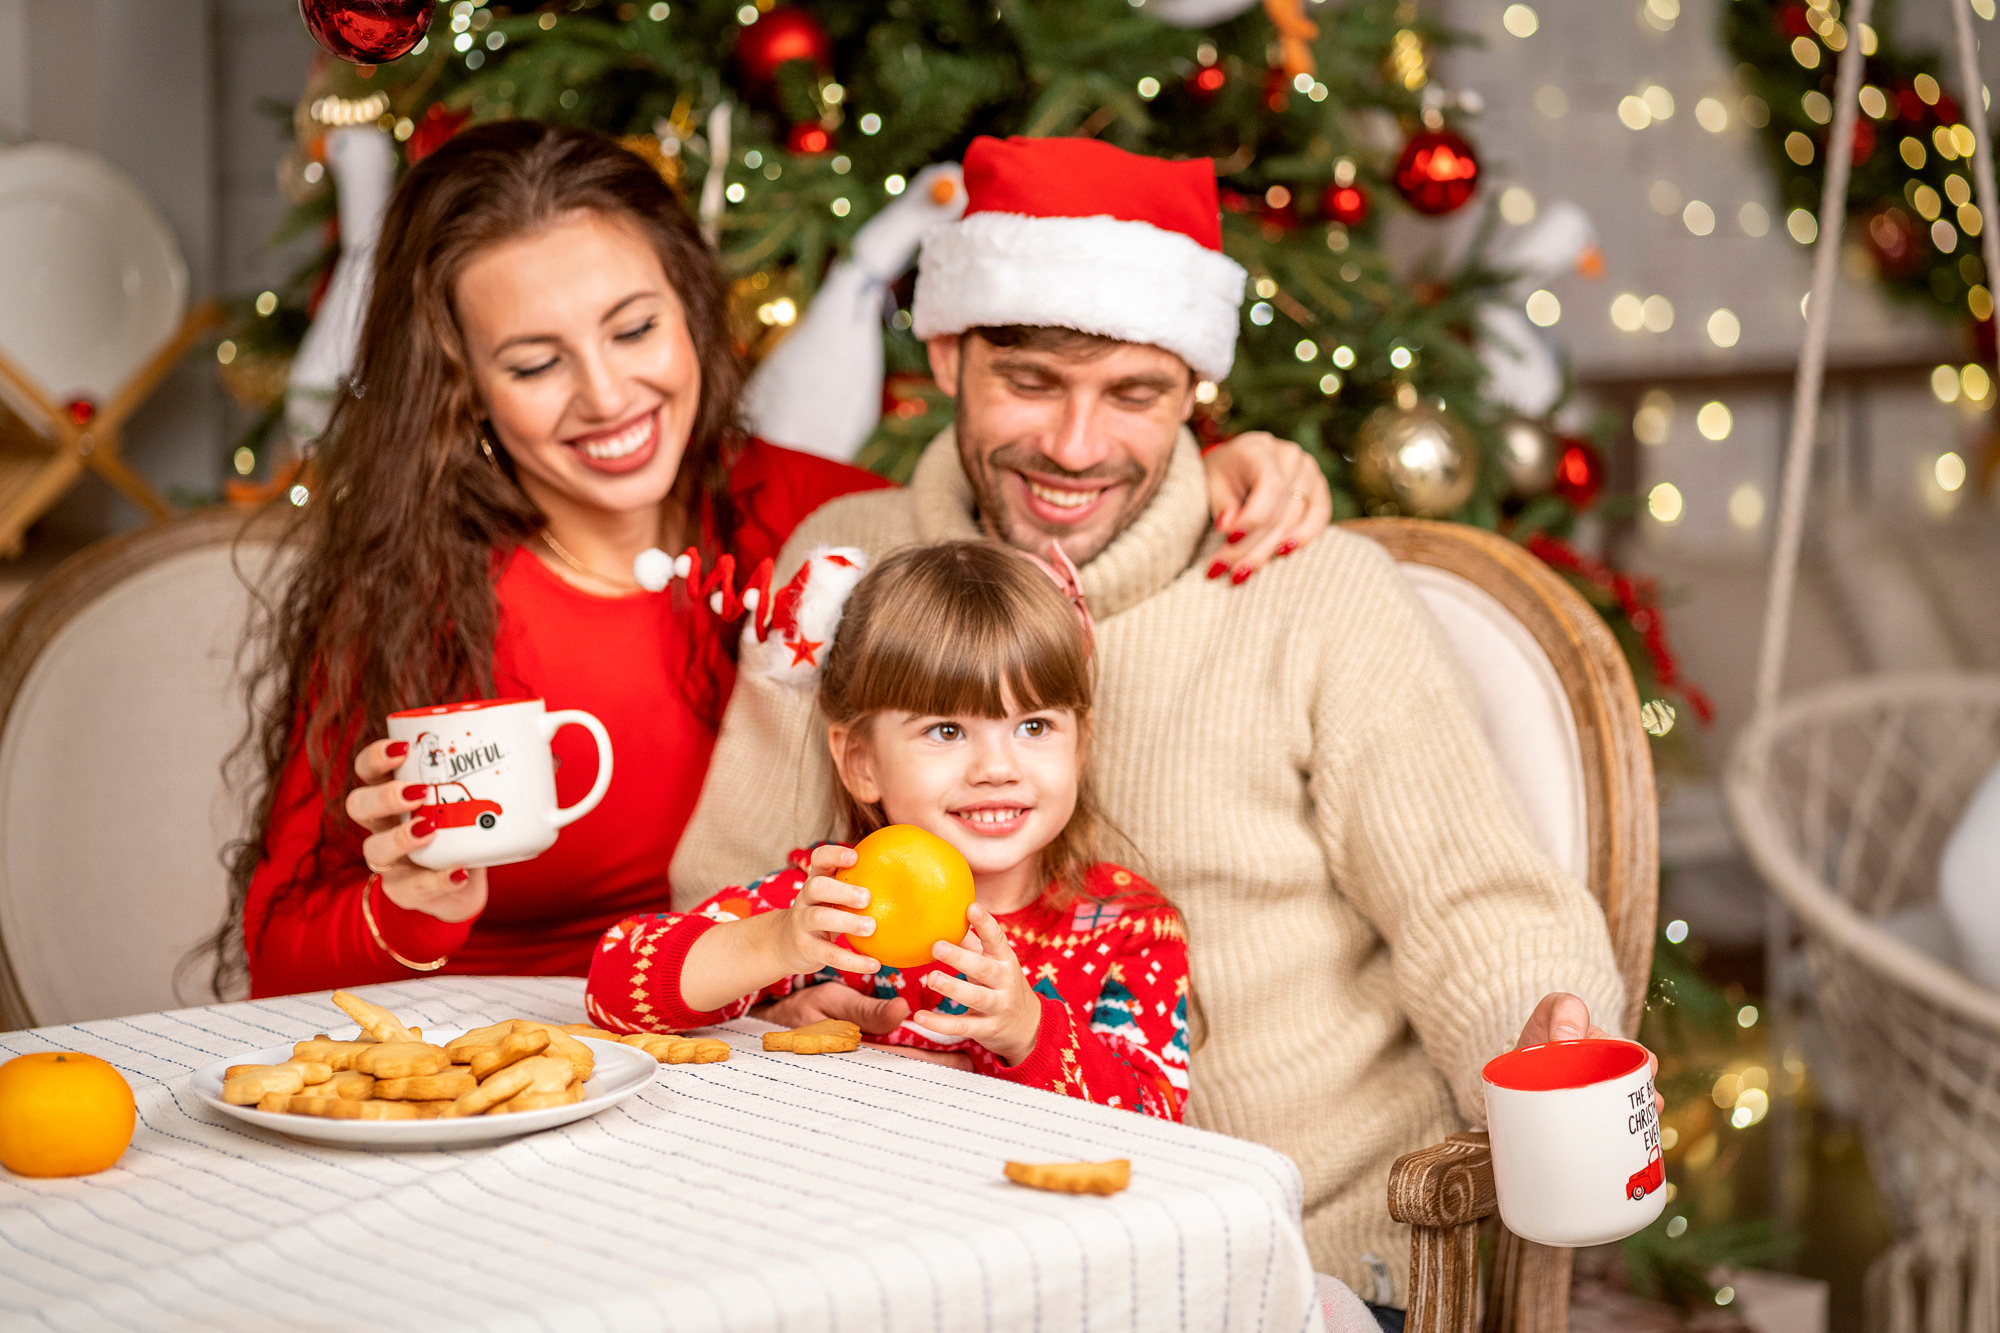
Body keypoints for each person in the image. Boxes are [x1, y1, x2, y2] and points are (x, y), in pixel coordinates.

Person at [671, 135, 1629, 1310]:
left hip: (1283, 1248)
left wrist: (1541, 1049)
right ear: (947, 352)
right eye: (1030, 382)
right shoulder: (841, 570)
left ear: (1193, 391)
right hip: (907, 1243)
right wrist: (779, 990)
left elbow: (1473, 904)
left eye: (1133, 394)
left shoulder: (1309, 588)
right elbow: (722, 891)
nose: (1074, 448)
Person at [217, 122, 1330, 1001]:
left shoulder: (826, 521)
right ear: (463, 384)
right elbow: (277, 960)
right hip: (492, 1067)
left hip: (742, 1079)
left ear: (693, 316)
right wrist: (407, 910)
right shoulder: (415, 590)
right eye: (534, 362)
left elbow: (1025, 523)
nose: (607, 396)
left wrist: (1211, 472)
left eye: (634, 330)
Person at [587, 541, 1189, 1117]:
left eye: (1034, 726)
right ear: (862, 763)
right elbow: (612, 987)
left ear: (1080, 746)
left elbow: (1158, 1119)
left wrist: (1028, 1033)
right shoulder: (831, 907)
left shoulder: (1128, 926)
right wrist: (777, 945)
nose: (997, 768)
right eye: (947, 731)